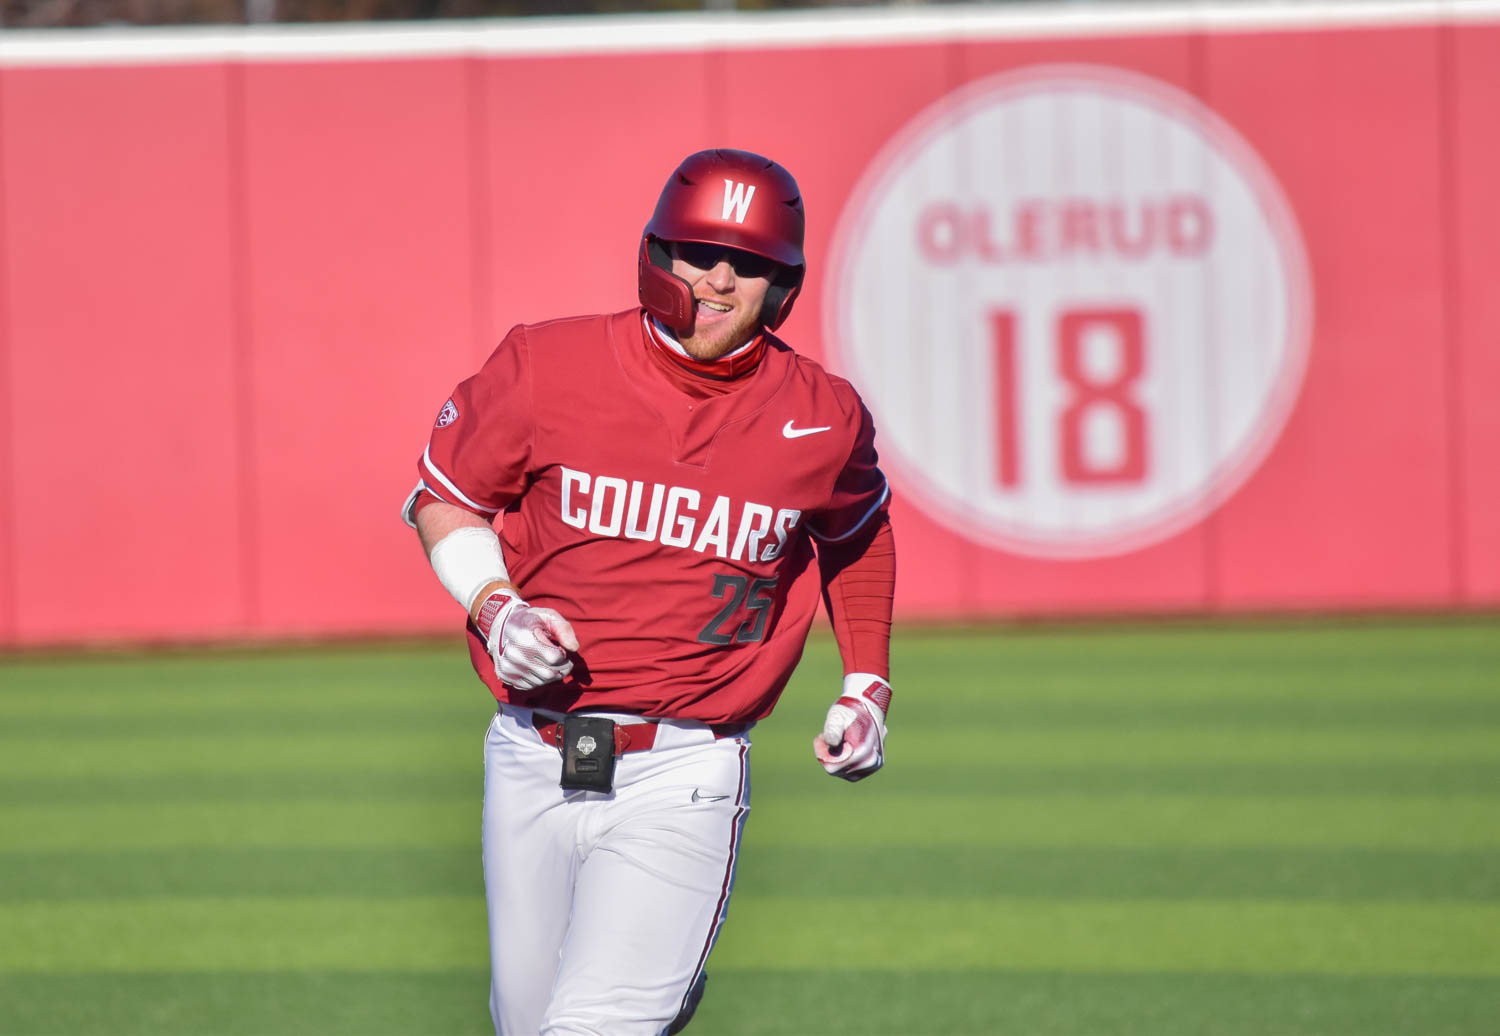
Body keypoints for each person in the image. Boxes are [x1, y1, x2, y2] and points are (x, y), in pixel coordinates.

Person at [402, 147, 896, 1036]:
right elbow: (445, 498)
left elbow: (856, 537)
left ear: (782, 285)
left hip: (686, 769)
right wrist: (493, 604)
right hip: (528, 755)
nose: (717, 277)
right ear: (652, 253)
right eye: (695, 250)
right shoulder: (548, 365)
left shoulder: (821, 415)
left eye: (747, 262)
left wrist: (867, 682)